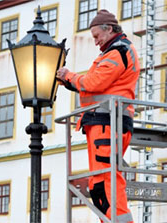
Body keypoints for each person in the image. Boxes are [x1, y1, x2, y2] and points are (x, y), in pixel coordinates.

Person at [56, 9, 139, 223]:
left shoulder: (117, 51)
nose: (95, 42)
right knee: (100, 181)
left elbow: (94, 83)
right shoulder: (115, 51)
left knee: (105, 180)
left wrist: (69, 76)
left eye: (96, 36)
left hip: (107, 122)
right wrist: (70, 82)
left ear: (109, 29)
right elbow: (95, 85)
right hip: (105, 122)